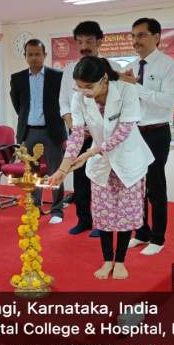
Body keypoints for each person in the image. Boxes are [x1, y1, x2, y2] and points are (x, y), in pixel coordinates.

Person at [48, 57, 154, 280]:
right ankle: (107, 261)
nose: (84, 92)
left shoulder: (126, 90)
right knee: (104, 214)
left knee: (125, 215)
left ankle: (120, 261)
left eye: (88, 86)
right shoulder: (79, 98)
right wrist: (63, 169)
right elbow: (77, 134)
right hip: (101, 164)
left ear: (104, 79)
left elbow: (123, 132)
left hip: (128, 160)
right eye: (79, 86)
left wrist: (90, 153)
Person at [119, 18, 174, 255]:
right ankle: (142, 232)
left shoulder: (169, 66)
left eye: (141, 35)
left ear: (156, 37)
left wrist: (135, 87)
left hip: (156, 131)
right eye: (133, 35)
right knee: (136, 185)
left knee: (155, 186)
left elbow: (167, 100)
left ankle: (157, 238)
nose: (136, 40)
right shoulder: (131, 66)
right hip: (133, 132)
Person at [59, 21, 122, 237]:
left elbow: (119, 103)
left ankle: (104, 222)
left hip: (106, 134)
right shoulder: (70, 70)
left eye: (89, 41)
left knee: (105, 177)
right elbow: (64, 101)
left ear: (99, 42)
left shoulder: (113, 68)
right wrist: (73, 124)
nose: (84, 46)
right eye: (80, 42)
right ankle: (84, 220)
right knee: (80, 178)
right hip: (79, 131)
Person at [9, 39, 66, 223]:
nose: (34, 58)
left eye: (37, 54)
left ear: (45, 55)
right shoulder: (17, 78)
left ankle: (57, 211)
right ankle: (35, 208)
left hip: (52, 132)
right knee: (31, 173)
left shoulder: (58, 76)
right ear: (25, 56)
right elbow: (18, 105)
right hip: (29, 131)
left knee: (55, 171)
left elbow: (64, 102)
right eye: (30, 54)